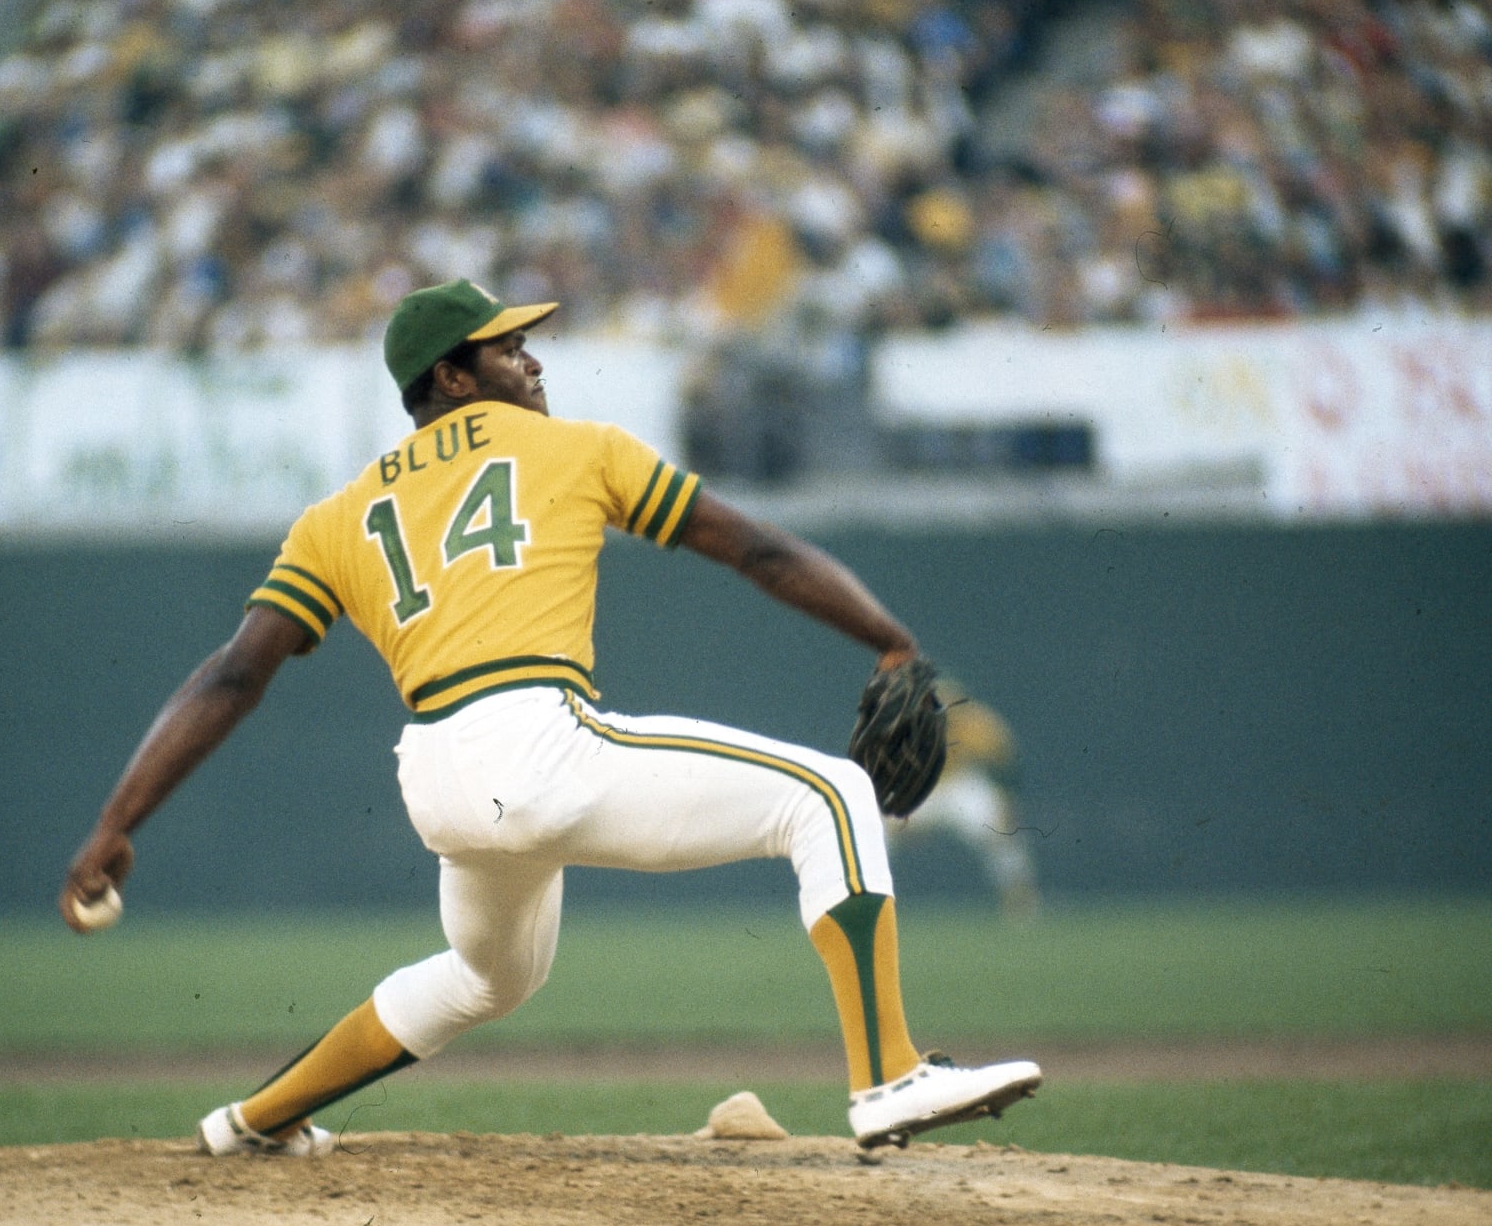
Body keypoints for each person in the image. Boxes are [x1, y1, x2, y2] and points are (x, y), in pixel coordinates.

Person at [59, 279, 1041, 1156]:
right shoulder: (576, 450)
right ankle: (890, 1077)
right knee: (829, 795)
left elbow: (232, 677)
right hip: (535, 744)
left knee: (491, 978)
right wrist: (891, 638)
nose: (532, 360)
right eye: (506, 349)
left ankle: (254, 1118)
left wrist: (115, 823)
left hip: (438, 780)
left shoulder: (339, 514)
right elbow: (755, 550)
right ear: (449, 375)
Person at [886, 683, 1040, 920]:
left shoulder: (972, 721)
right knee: (876, 834)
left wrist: (1007, 801)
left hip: (961, 783)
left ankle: (1021, 902)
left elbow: (1004, 762)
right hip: (919, 785)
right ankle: (864, 903)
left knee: (1002, 830)